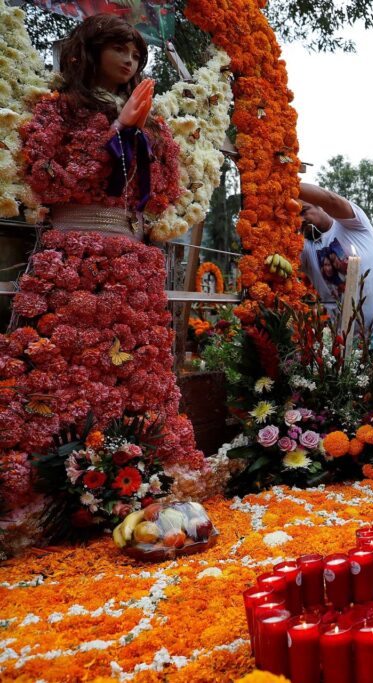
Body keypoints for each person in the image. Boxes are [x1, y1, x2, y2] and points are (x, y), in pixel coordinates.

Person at [0, 16, 204, 514]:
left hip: (131, 261)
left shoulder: (150, 120)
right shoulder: (61, 110)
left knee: (137, 371)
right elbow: (50, 181)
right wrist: (116, 133)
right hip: (74, 255)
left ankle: (141, 471)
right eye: (119, 48)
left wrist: (144, 138)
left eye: (136, 53)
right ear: (89, 52)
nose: (130, 60)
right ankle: (56, 491)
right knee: (64, 369)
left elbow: (162, 193)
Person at [298, 183, 373, 346]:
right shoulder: (306, 251)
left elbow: (331, 199)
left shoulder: (353, 224)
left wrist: (286, 182)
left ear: (320, 206)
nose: (301, 220)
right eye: (294, 216)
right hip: (351, 345)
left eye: (303, 211)